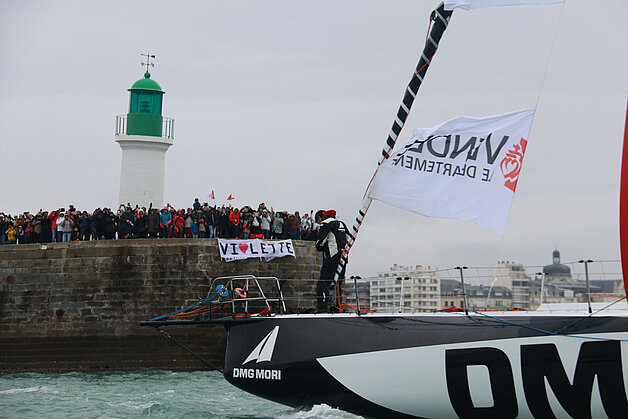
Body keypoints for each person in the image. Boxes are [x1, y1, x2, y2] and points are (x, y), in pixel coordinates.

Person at [314, 210, 350, 313]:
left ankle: (322, 307)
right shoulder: (342, 224)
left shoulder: (326, 224)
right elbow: (349, 239)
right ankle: (338, 305)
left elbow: (319, 243)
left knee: (324, 282)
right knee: (338, 282)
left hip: (331, 258)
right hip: (343, 258)